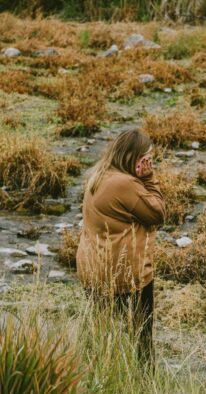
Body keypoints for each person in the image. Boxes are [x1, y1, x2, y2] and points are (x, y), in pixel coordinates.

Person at [76, 128, 165, 366]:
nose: (149, 163)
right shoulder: (125, 183)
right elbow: (157, 213)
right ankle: (143, 384)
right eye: (146, 158)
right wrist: (149, 179)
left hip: (95, 270)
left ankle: (103, 375)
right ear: (133, 157)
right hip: (125, 275)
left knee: (102, 337)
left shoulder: (100, 174)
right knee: (141, 340)